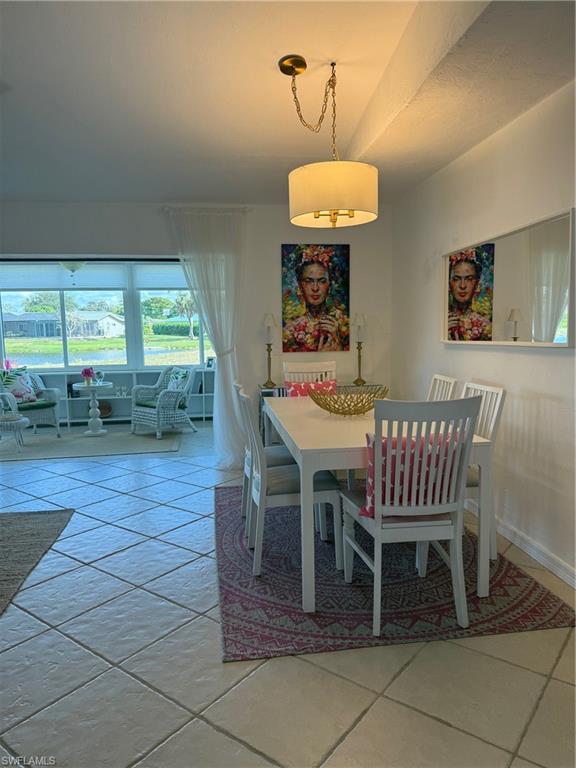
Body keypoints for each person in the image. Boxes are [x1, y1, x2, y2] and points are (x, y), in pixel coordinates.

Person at [282, 245, 349, 352]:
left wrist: (337, 342)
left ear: (329, 285)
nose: (315, 288)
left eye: (322, 281)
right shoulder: (290, 330)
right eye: (308, 281)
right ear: (300, 286)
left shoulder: (342, 323)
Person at [448, 249, 492, 341]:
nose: (462, 286)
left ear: (477, 283)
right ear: (449, 283)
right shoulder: (441, 319)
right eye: (456, 279)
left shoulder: (484, 326)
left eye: (469, 279)